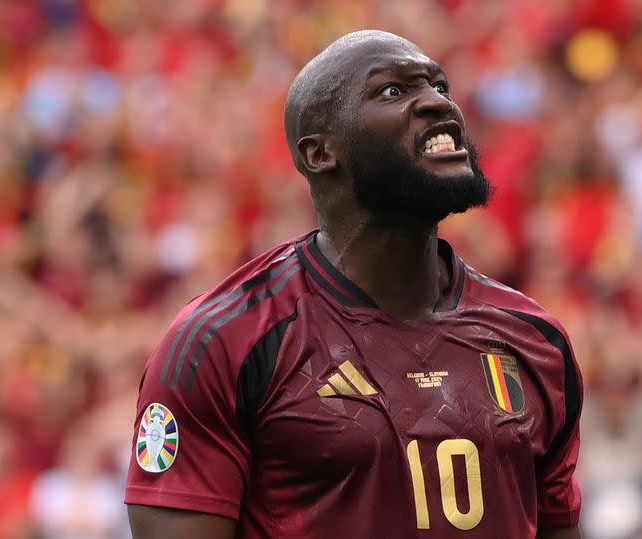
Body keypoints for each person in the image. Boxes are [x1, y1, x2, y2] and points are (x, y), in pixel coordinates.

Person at [125, 30, 583, 539]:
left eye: (439, 85)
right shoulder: (223, 342)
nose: (435, 102)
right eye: (393, 91)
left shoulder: (535, 339)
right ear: (321, 153)